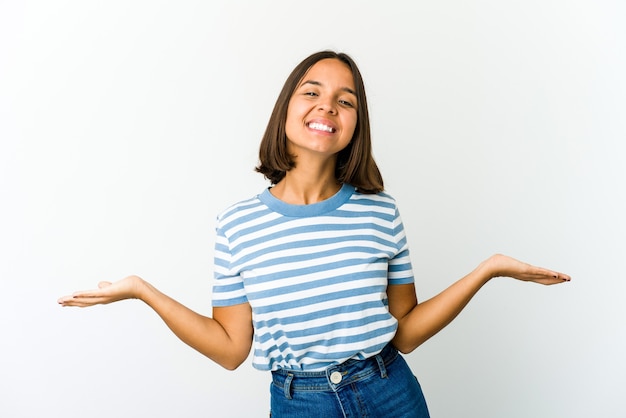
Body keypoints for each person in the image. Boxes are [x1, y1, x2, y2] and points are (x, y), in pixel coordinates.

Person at [58, 50, 570, 418]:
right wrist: (142, 291)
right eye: (312, 92)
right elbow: (231, 349)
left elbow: (406, 332)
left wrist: (488, 270)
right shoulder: (236, 224)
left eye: (345, 101)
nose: (327, 106)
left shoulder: (381, 213)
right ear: (286, 110)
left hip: (392, 394)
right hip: (300, 405)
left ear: (355, 125)